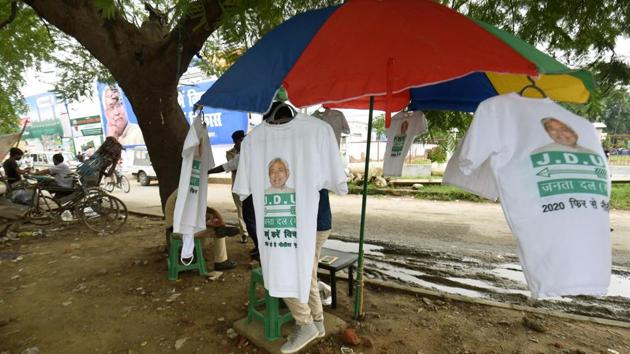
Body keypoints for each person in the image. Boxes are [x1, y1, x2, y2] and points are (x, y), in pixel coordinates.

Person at [164, 190, 239, 271]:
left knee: (215, 225)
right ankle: (221, 261)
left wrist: (214, 213)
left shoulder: (183, 189)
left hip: (180, 228)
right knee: (217, 231)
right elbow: (188, 219)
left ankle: (219, 232)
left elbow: (201, 209)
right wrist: (211, 224)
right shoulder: (186, 193)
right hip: (178, 231)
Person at [533, 117, 598, 154]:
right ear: (548, 134)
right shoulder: (541, 152)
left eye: (564, 129)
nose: (560, 133)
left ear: (575, 131)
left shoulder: (591, 153)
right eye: (553, 130)